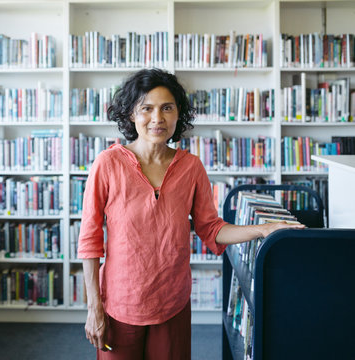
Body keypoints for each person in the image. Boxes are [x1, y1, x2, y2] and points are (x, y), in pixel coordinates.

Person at [77, 68, 304, 360]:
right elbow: (89, 241)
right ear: (132, 114)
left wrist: (263, 230)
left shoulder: (191, 167)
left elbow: (211, 228)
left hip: (173, 302)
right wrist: (94, 308)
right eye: (147, 108)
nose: (157, 118)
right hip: (121, 304)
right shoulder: (107, 164)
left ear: (178, 114)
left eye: (167, 108)